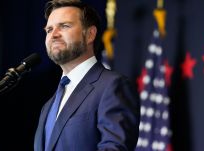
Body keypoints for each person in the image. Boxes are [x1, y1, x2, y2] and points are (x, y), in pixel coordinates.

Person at [34, 0, 140, 150]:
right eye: (49, 29)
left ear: (90, 34)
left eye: (64, 26)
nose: (54, 34)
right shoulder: (47, 106)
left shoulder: (112, 86)